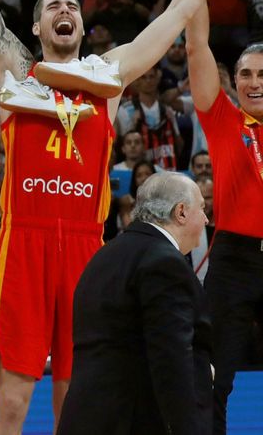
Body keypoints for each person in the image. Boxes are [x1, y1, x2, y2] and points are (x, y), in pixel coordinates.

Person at [0, 0, 253, 434]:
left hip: (86, 247)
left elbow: (178, 12)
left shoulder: (111, 73)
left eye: (72, 5)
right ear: (37, 26)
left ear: (81, 23)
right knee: (13, 398)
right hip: (24, 243)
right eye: (54, 5)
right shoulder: (16, 67)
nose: (65, 9)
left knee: (79, 395)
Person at [55, 173, 212, 434]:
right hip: (132, 420)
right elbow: (172, 356)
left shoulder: (104, 255)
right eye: (202, 209)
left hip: (85, 416)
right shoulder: (164, 262)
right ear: (181, 212)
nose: (206, 219)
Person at [185, 0, 263, 434]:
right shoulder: (223, 119)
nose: (254, 82)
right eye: (246, 74)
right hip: (234, 262)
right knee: (211, 379)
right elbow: (197, 46)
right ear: (234, 82)